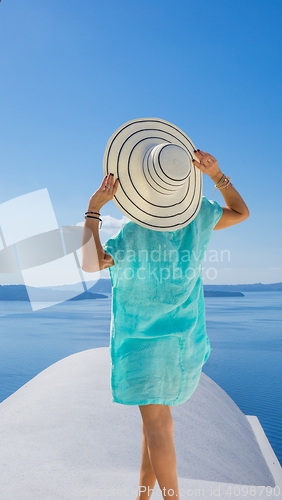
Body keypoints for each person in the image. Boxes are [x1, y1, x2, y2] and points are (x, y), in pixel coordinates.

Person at [82, 141, 249, 499]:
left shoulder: (133, 233)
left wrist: (93, 211)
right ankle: (143, 496)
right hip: (184, 341)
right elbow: (240, 212)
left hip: (145, 346)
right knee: (153, 425)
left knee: (157, 427)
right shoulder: (201, 215)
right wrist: (217, 175)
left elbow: (91, 263)